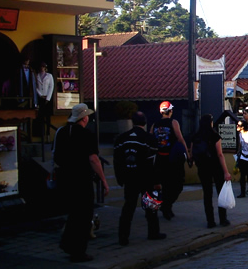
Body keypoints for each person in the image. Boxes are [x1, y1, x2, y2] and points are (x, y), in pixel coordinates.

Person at [54, 103, 109, 263]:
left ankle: (67, 243)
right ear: (84, 118)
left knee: (74, 213)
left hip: (65, 178)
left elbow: (56, 156)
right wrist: (103, 180)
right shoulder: (86, 135)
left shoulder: (62, 132)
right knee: (84, 215)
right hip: (82, 178)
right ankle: (78, 250)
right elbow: (93, 158)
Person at [113, 111, 166, 245]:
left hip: (129, 177)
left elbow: (117, 160)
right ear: (145, 123)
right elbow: (154, 162)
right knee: (150, 206)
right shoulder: (149, 139)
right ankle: (153, 232)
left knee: (128, 207)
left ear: (133, 122)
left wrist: (120, 177)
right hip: (146, 177)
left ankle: (123, 236)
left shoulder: (121, 138)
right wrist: (157, 181)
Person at [150, 101, 188, 220]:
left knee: (165, 185)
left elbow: (150, 139)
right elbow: (180, 138)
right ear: (170, 111)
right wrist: (187, 152)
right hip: (172, 159)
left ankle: (166, 206)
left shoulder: (155, 124)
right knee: (177, 184)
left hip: (159, 159)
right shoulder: (174, 122)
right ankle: (167, 205)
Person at [192, 114, 232, 228]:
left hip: (203, 168)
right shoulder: (215, 136)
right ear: (211, 123)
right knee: (221, 193)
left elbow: (192, 154)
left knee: (207, 194)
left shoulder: (196, 136)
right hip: (216, 167)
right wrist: (226, 171)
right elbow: (220, 154)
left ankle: (210, 221)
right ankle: (223, 219)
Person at [36, 62, 55, 133]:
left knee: (47, 117)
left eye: (43, 67)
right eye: (41, 67)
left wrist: (48, 97)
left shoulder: (49, 76)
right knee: (40, 116)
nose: (42, 68)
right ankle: (42, 133)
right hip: (40, 98)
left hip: (47, 99)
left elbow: (51, 86)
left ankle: (48, 134)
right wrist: (40, 95)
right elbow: (35, 87)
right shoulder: (37, 75)